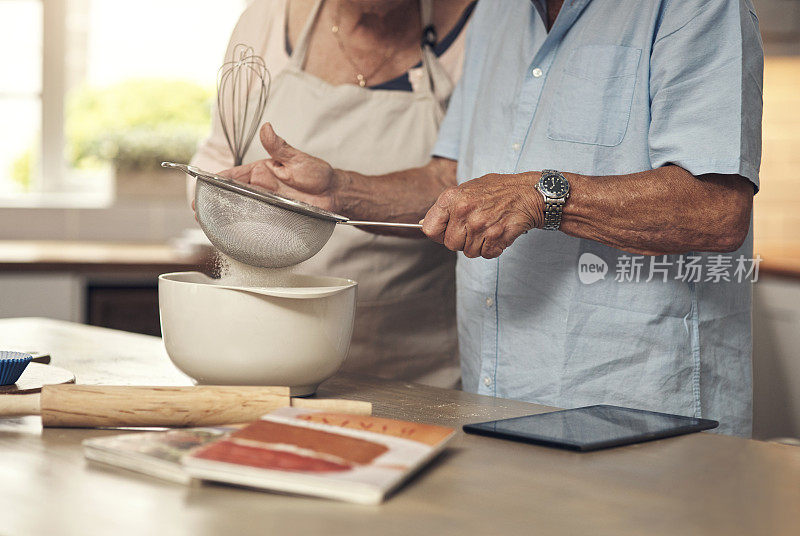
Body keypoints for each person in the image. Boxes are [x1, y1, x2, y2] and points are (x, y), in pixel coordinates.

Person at [225, 0, 763, 436]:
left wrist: (543, 195)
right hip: (493, 407)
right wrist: (341, 191)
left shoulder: (697, 6)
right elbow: (449, 182)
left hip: (642, 413)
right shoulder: (498, 13)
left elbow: (715, 208)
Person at [192, 0, 476, 388]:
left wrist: (342, 193)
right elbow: (219, 153)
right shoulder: (268, 19)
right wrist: (218, 196)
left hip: (411, 367)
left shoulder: (479, 28)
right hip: (262, 351)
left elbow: (470, 189)